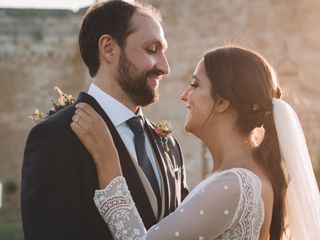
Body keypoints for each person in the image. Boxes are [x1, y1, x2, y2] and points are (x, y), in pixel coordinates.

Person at [71, 46, 320, 239]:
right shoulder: (243, 175)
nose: (184, 96)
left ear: (222, 102)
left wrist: (108, 162)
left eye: (195, 85)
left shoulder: (235, 184)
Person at [21, 1, 188, 240]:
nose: (165, 67)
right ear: (108, 48)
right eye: (152, 49)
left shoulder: (169, 145)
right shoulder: (55, 137)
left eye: (164, 52)